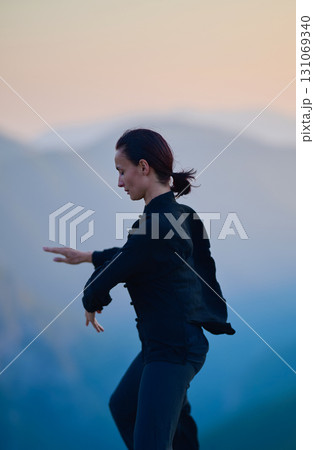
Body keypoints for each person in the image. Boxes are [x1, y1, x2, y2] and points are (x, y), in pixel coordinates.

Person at [43, 128, 235, 450]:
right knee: (125, 407)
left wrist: (91, 299)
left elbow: (122, 266)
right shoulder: (178, 215)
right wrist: (90, 257)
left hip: (174, 348)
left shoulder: (155, 224)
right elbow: (137, 255)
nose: (119, 182)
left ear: (143, 168)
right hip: (166, 343)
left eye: (122, 172)